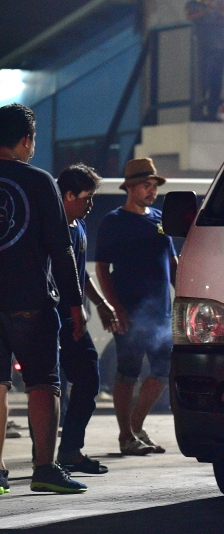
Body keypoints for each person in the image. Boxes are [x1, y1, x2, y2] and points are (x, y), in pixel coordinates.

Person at [0, 103, 88, 494]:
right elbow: (61, 248)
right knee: (43, 384)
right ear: (26, 139)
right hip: (30, 301)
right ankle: (44, 469)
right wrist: (75, 302)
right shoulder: (38, 182)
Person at [95, 158, 178, 456]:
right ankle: (125, 435)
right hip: (130, 311)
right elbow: (102, 269)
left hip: (161, 314)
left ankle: (136, 426)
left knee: (163, 370)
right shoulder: (114, 221)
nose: (152, 191)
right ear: (130, 188)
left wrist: (183, 293)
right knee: (127, 371)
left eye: (154, 186)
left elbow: (172, 262)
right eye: (146, 185)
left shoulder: (159, 219)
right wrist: (115, 307)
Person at [54, 164, 120, 474]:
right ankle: (48, 456)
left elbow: (80, 276)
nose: (90, 205)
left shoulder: (78, 226)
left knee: (88, 379)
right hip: (53, 320)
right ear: (68, 195)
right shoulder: (52, 228)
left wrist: (101, 304)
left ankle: (69, 450)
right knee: (49, 387)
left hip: (74, 319)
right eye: (87, 197)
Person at [185, 0, 224, 120]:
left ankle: (212, 113)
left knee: (216, 82)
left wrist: (221, 8)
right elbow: (189, 17)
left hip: (219, 48)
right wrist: (207, 9)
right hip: (204, 49)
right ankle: (198, 112)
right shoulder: (194, 3)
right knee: (203, 81)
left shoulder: (218, 3)